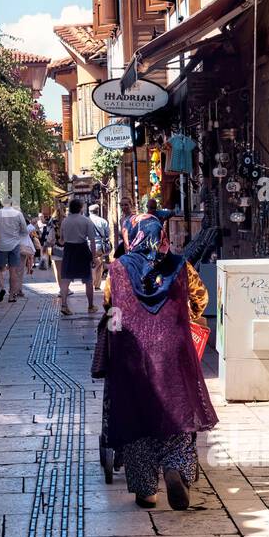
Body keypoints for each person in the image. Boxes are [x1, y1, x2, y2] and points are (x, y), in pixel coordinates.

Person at [103, 213, 216, 510]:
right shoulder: (181, 266)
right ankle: (175, 468)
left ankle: (147, 492)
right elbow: (200, 299)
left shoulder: (117, 269)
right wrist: (182, 316)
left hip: (132, 354)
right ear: (162, 235)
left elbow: (108, 303)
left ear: (132, 236)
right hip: (173, 351)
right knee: (178, 409)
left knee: (136, 417)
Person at [58, 198, 100, 315]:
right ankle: (90, 306)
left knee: (65, 280)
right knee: (88, 280)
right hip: (82, 249)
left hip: (69, 250)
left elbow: (61, 240)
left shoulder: (65, 221)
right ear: (81, 208)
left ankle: (64, 305)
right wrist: (93, 257)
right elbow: (92, 241)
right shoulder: (86, 221)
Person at [0, 197, 28, 302]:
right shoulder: (18, 214)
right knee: (13, 271)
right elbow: (24, 230)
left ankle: (2, 288)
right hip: (15, 245)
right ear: (11, 203)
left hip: (1, 245)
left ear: (2, 203)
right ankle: (11, 296)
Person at [87, 203, 111, 288]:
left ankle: (90, 282)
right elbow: (108, 234)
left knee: (89, 264)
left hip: (88, 246)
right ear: (98, 211)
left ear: (89, 211)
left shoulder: (86, 220)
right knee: (99, 264)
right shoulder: (103, 221)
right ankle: (97, 285)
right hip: (100, 246)